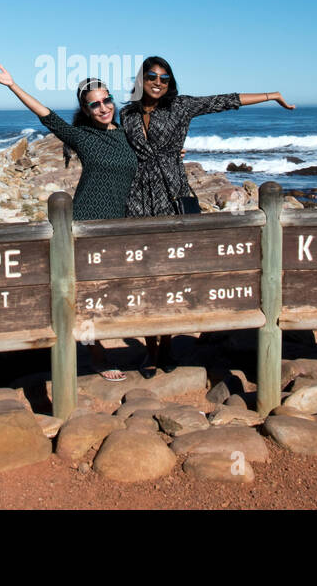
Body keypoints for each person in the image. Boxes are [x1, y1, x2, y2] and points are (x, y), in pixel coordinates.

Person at [119, 55, 295, 375]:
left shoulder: (182, 106)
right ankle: (151, 349)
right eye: (152, 76)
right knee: (145, 272)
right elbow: (118, 147)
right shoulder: (126, 113)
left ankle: (168, 346)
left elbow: (225, 100)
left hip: (173, 192)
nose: (158, 82)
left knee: (176, 269)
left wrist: (271, 95)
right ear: (141, 79)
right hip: (137, 195)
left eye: (165, 78)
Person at [0, 63, 137, 380]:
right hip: (84, 223)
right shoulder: (82, 137)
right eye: (94, 104)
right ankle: (96, 353)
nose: (103, 107)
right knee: (80, 292)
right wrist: (12, 84)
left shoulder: (128, 135)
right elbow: (47, 116)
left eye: (106, 100)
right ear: (86, 109)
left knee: (111, 290)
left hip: (118, 225)